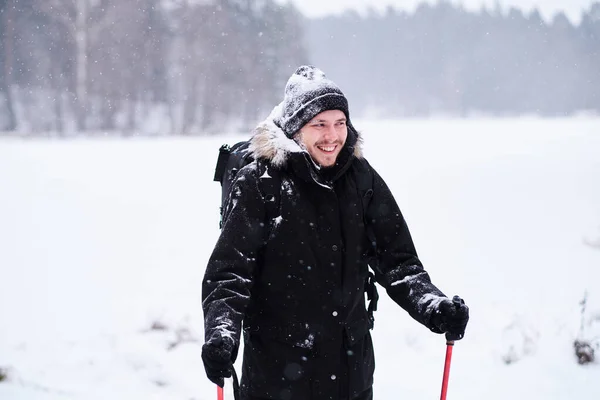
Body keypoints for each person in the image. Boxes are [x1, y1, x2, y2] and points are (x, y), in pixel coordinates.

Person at [201, 65, 469, 400]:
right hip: (276, 378)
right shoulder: (260, 184)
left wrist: (433, 305)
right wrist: (221, 334)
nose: (332, 136)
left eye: (340, 123)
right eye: (320, 125)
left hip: (350, 375)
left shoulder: (361, 179)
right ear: (296, 129)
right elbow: (230, 273)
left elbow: (397, 261)